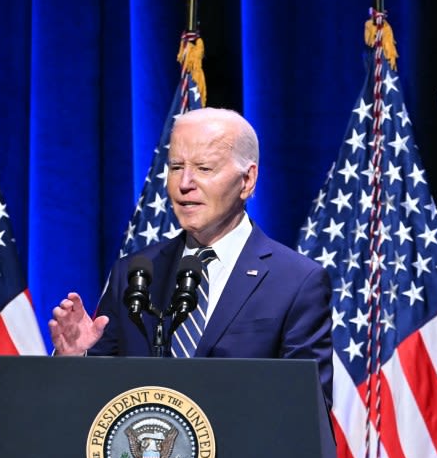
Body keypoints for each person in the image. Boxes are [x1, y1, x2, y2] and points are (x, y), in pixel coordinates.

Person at [48, 107, 333, 406]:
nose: (184, 183)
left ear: (247, 181)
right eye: (175, 167)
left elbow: (307, 409)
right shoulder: (134, 274)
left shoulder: (296, 282)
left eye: (204, 168)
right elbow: (97, 404)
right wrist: (75, 359)